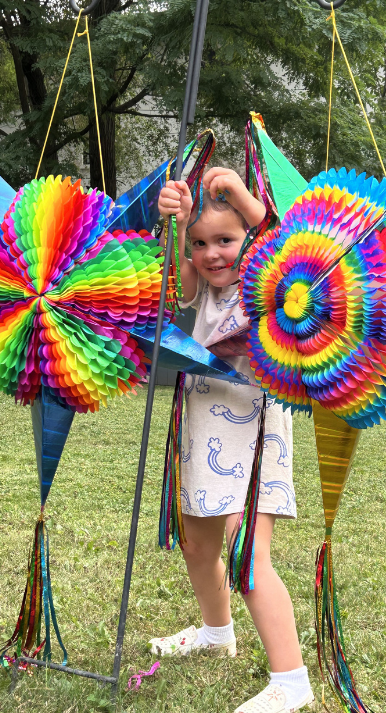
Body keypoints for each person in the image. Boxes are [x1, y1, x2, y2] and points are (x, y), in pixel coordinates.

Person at [147, 169, 313, 713]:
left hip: (256, 433)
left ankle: (291, 680)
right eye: (200, 243)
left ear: (249, 240)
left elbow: (282, 241)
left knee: (248, 557)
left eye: (226, 239)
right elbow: (181, 282)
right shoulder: (201, 291)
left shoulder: (270, 283)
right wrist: (177, 221)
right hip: (201, 430)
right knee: (198, 545)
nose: (212, 253)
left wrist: (245, 199)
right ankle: (217, 634)